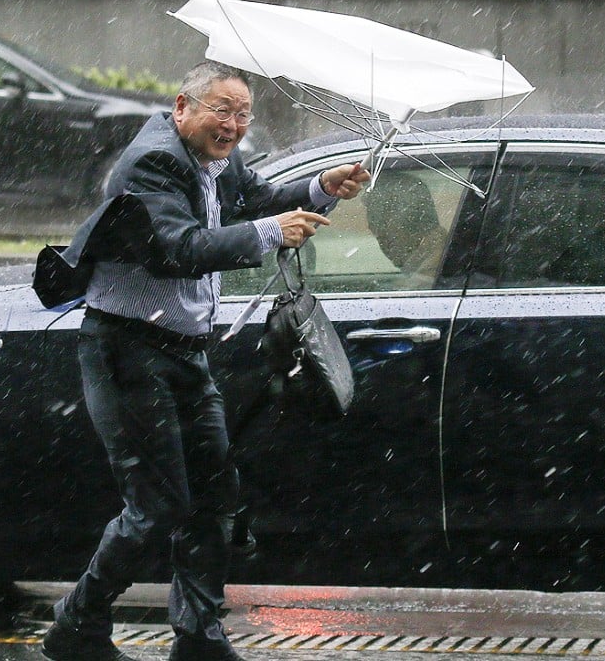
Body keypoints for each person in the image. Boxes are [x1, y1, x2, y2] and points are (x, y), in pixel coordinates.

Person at [42, 60, 370, 661]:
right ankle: (76, 625)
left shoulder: (221, 158)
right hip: (126, 349)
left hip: (184, 354)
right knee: (155, 507)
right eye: (222, 109)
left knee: (216, 497)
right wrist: (272, 231)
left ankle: (199, 638)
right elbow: (178, 247)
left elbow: (259, 199)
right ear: (182, 107)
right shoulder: (152, 163)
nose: (234, 125)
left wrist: (323, 186)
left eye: (244, 114)